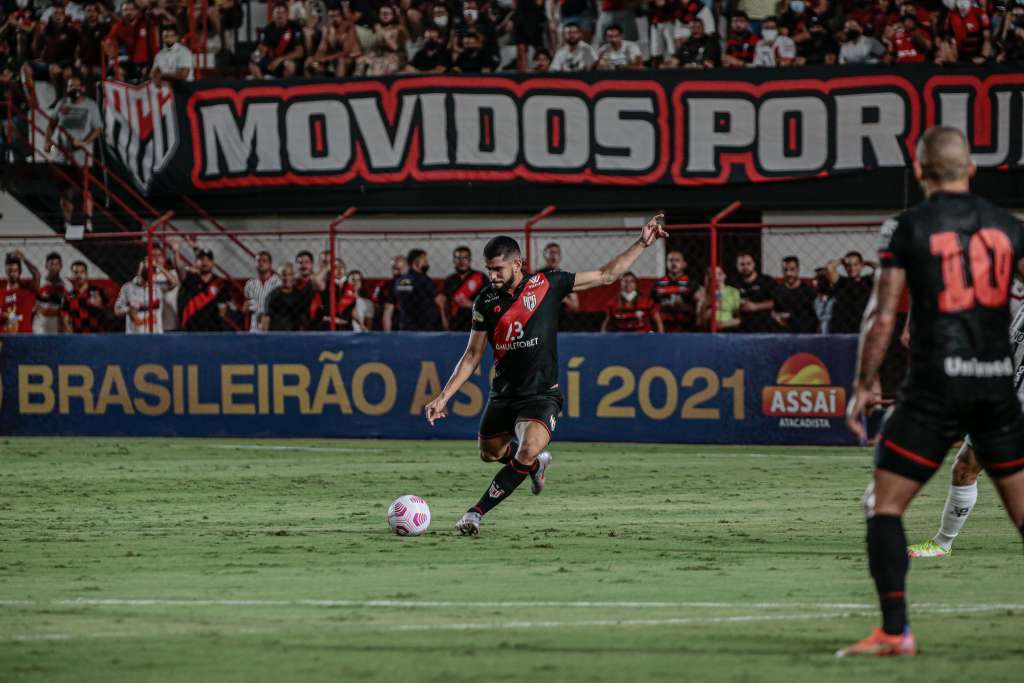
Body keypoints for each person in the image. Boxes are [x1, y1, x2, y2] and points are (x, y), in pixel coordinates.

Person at [840, 127, 1024, 657]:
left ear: (920, 173)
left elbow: (882, 314)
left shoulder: (906, 226)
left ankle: (895, 632)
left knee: (884, 505)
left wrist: (865, 380)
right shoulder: (1007, 227)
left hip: (935, 387)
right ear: (973, 170)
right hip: (997, 388)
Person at [424, 215, 668, 535]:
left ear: (518, 264)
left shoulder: (548, 284)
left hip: (542, 394)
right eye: (489, 269)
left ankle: (475, 513)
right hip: (505, 393)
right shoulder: (485, 301)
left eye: (498, 269)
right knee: (490, 453)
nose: (492, 275)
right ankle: (537, 464)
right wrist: (443, 396)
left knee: (527, 447)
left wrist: (642, 243)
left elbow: (607, 274)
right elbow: (472, 356)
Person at [44, 74, 102, 230]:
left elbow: (98, 129)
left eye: (76, 85)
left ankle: (88, 222)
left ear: (82, 88)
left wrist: (84, 142)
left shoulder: (91, 105)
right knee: (64, 192)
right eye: (70, 86)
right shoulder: (62, 104)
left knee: (86, 190)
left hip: (83, 157)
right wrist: (47, 140)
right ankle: (67, 222)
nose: (73, 89)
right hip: (63, 156)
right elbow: (52, 124)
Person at [176, 247, 230, 332]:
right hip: (191, 328)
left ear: (213, 263)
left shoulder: (220, 283)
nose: (205, 263)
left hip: (212, 329)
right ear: (197, 262)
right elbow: (179, 268)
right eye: (202, 260)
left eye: (208, 260)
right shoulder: (190, 279)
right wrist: (176, 251)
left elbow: (222, 310)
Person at [104, 1, 159, 82]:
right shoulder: (119, 26)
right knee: (116, 72)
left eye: (131, 9)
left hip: (150, 61)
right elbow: (107, 41)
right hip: (131, 62)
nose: (128, 12)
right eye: (125, 10)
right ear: (121, 12)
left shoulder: (146, 21)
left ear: (136, 11)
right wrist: (112, 55)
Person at [249, 2, 303, 79]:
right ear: (273, 15)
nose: (280, 15)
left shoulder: (295, 27)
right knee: (252, 63)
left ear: (287, 14)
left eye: (283, 13)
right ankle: (264, 85)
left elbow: (299, 52)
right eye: (277, 13)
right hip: (272, 61)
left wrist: (280, 59)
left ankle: (284, 87)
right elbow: (261, 50)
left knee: (289, 65)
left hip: (287, 60)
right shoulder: (268, 29)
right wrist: (256, 55)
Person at [650, 250, 700, 332]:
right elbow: (652, 306)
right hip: (663, 324)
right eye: (670, 260)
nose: (673, 263)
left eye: (677, 260)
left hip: (686, 324)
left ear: (684, 264)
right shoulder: (659, 283)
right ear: (666, 263)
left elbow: (698, 306)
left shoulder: (691, 283)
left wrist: (684, 307)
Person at [439, 246, 486, 332]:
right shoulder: (449, 281)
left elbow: (490, 301)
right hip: (454, 326)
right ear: (454, 261)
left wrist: (471, 304)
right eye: (458, 258)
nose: (461, 261)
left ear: (470, 260)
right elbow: (444, 304)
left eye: (465, 258)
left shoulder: (481, 277)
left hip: (476, 324)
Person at [827, 251, 875, 334]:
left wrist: (866, 262)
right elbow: (829, 268)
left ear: (861, 265)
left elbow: (880, 269)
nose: (852, 268)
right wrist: (841, 260)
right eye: (848, 265)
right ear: (845, 267)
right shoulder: (841, 281)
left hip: (863, 325)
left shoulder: (868, 280)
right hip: (843, 327)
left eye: (856, 264)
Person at [395, 249, 442, 331]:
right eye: (424, 261)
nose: (427, 264)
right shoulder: (424, 280)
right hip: (425, 327)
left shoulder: (399, 281)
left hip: (405, 326)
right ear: (416, 263)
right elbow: (439, 301)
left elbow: (393, 305)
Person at [308, 6, 362, 77]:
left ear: (342, 16)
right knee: (311, 62)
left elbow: (346, 52)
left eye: (336, 16)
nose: (334, 19)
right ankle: (318, 84)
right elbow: (321, 51)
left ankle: (339, 85)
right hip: (333, 60)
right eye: (331, 16)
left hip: (351, 59)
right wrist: (324, 37)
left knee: (341, 61)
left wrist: (327, 58)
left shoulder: (349, 27)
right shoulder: (329, 30)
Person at [115, 258, 163, 333]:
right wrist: (128, 309)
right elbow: (117, 311)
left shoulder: (158, 288)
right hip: (135, 335)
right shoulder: (128, 287)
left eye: (151, 271)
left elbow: (174, 282)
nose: (148, 274)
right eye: (145, 271)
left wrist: (158, 265)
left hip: (156, 335)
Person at [732, 252, 776, 332]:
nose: (745, 267)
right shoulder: (733, 282)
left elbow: (775, 302)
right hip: (740, 325)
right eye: (742, 264)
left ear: (754, 264)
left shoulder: (766, 281)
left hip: (763, 324)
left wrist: (756, 306)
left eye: (748, 263)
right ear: (737, 266)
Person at [772, 256, 817, 333]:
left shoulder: (809, 291)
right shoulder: (777, 291)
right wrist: (776, 316)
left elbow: (815, 316)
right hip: (783, 333)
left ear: (798, 269)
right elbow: (773, 310)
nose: (788, 273)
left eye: (792, 269)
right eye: (785, 270)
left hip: (805, 334)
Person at [62, 260, 106, 334]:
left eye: (82, 272)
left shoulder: (98, 291)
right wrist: (72, 337)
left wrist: (100, 306)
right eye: (75, 272)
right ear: (72, 275)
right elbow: (66, 321)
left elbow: (111, 315)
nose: (79, 275)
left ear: (86, 274)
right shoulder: (68, 296)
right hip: (78, 338)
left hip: (97, 337)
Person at [0, 251, 39, 334]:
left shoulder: (28, 287)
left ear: (20, 271)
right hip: (5, 337)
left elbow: (37, 274)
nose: (12, 274)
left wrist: (24, 259)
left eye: (15, 271)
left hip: (24, 337)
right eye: (10, 271)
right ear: (6, 270)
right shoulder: (1, 290)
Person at [262, 263, 309, 331]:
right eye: (284, 275)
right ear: (279, 276)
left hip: (294, 335)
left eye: (290, 274)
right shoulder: (272, 296)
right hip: (276, 335)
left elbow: (303, 319)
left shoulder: (299, 295)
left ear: (293, 276)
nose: (287, 278)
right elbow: (266, 318)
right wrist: (265, 339)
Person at [33, 251, 71, 334]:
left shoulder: (67, 285)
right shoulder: (40, 281)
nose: (53, 267)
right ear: (46, 266)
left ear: (61, 266)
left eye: (56, 264)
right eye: (51, 264)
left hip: (56, 325)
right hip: (39, 325)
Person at [537, 243, 580, 315]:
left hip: (559, 317)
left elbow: (575, 306)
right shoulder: (538, 275)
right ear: (545, 256)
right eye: (550, 253)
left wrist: (562, 298)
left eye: (556, 253)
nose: (553, 256)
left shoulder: (566, 277)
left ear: (560, 257)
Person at [244, 251, 281, 332]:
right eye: (258, 261)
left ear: (270, 264)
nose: (261, 263)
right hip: (254, 326)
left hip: (273, 325)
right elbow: (246, 306)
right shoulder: (250, 284)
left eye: (264, 261)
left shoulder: (278, 282)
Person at [700, 266, 741, 331]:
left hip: (728, 326)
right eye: (713, 274)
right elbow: (700, 321)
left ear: (725, 275)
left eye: (720, 274)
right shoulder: (704, 292)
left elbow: (738, 316)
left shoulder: (733, 291)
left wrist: (723, 324)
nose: (717, 277)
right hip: (709, 328)